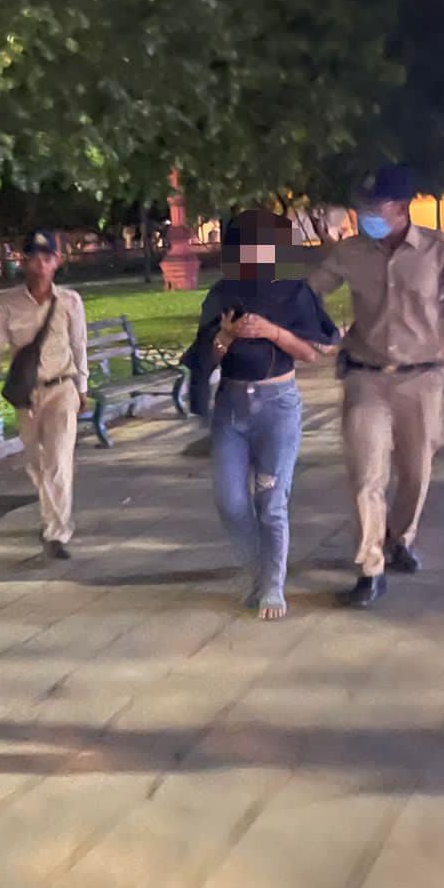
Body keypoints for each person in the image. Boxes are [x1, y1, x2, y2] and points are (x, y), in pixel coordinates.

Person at [310, 166, 444, 608]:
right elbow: (309, 292)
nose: (365, 215)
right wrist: (309, 329)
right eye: (362, 207)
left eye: (374, 207)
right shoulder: (350, 252)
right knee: (366, 477)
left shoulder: (440, 250)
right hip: (365, 378)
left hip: (421, 379)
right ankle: (370, 568)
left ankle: (399, 539)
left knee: (416, 473)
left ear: (401, 207)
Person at [185, 210, 339, 620]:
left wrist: (272, 332)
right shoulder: (221, 294)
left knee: (270, 502)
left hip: (277, 407)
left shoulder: (293, 293)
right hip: (232, 408)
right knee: (230, 501)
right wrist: (225, 336)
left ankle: (272, 584)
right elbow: (205, 359)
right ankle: (258, 571)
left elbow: (312, 353)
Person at [0, 229, 88, 560]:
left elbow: (78, 345)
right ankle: (50, 519)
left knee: (59, 462)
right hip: (26, 394)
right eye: (34, 258)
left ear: (57, 262)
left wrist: (82, 387)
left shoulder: (70, 301)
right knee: (37, 464)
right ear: (23, 261)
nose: (41, 265)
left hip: (62, 388)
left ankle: (57, 532)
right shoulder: (6, 304)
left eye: (48, 258)